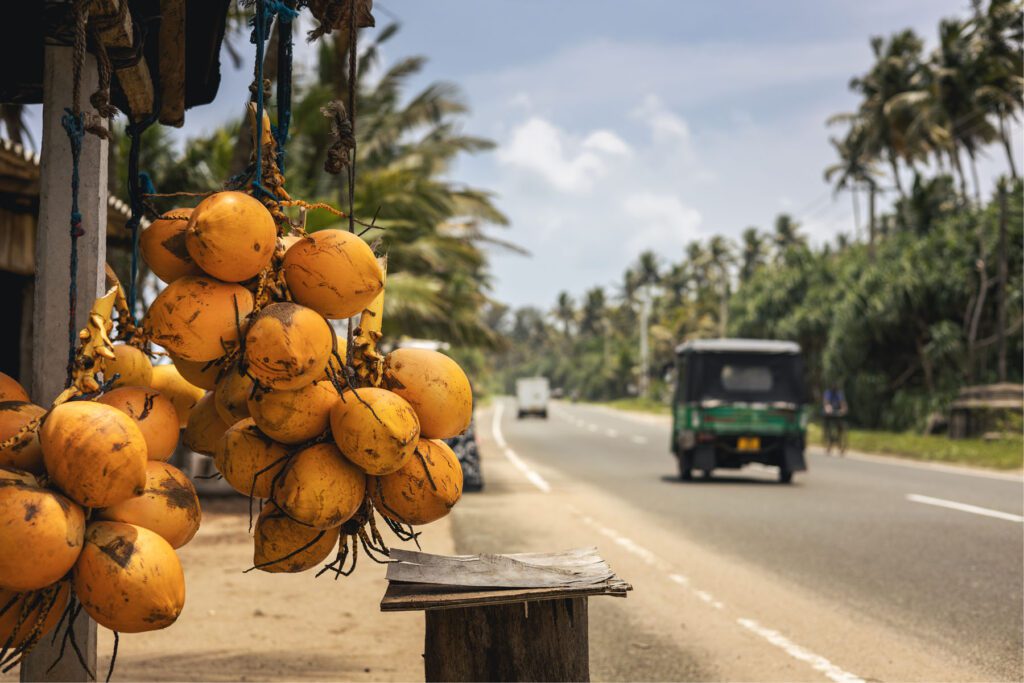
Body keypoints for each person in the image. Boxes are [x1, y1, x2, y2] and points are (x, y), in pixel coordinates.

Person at [822, 384, 848, 454]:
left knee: (840, 426)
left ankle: (839, 442)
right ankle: (828, 441)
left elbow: (842, 402)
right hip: (828, 413)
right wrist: (827, 407)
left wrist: (843, 409)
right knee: (827, 425)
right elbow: (826, 402)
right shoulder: (828, 393)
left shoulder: (839, 393)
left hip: (837, 412)